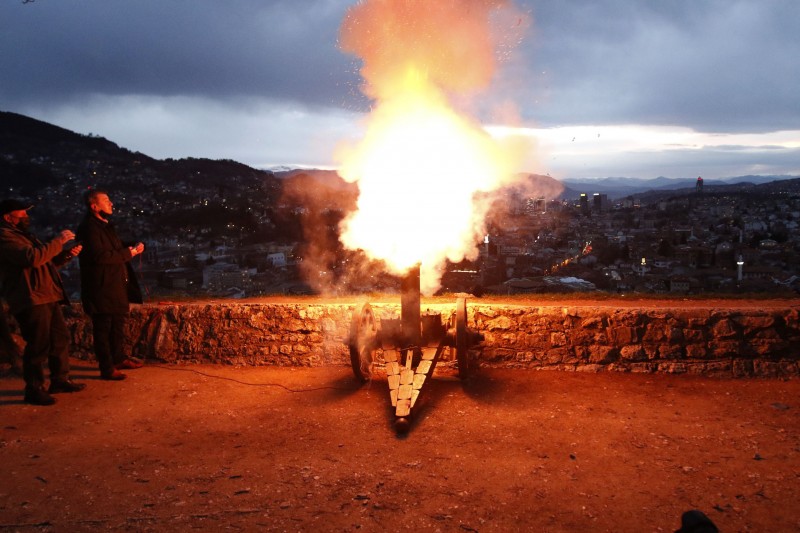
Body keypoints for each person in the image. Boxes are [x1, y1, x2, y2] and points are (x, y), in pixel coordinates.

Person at [0, 198, 86, 405]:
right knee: (38, 345)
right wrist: (58, 242)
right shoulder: (4, 237)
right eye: (22, 212)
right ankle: (34, 388)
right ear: (8, 216)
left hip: (45, 294)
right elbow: (32, 258)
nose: (26, 216)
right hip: (30, 297)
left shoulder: (23, 235)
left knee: (59, 338)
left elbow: (44, 263)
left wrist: (65, 255)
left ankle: (59, 379)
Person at [76, 189, 144, 381]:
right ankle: (106, 367)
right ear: (94, 206)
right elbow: (100, 256)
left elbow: (116, 246)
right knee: (103, 328)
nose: (111, 203)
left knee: (117, 325)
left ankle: (119, 358)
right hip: (100, 288)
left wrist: (134, 244)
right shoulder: (89, 228)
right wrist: (129, 254)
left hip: (114, 285)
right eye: (106, 200)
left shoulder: (105, 226)